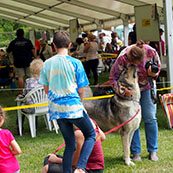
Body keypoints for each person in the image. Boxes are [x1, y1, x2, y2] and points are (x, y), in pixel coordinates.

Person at [39, 30, 96, 173]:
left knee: (70, 144)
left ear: (53, 45)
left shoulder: (47, 64)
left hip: (56, 109)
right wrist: (80, 103)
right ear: (70, 45)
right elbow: (82, 89)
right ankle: (81, 168)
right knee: (91, 134)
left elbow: (46, 89)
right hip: (73, 106)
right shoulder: (75, 63)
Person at [109, 40, 161, 161]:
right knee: (131, 121)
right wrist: (122, 91)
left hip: (147, 87)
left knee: (150, 118)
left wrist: (153, 74)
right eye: (133, 63)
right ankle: (135, 152)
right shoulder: (122, 58)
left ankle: (153, 151)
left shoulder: (151, 52)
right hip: (129, 92)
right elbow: (113, 78)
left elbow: (157, 68)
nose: (137, 66)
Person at [16, 59, 44, 133]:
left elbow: (26, 93)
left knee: (21, 106)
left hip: (32, 107)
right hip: (44, 106)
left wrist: (20, 96)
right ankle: (36, 126)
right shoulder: (45, 80)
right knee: (34, 102)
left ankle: (19, 126)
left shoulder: (29, 81)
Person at [0, 106, 22, 173]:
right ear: (1, 120)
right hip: (14, 167)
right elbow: (18, 151)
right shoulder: (6, 133)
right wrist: (9, 153)